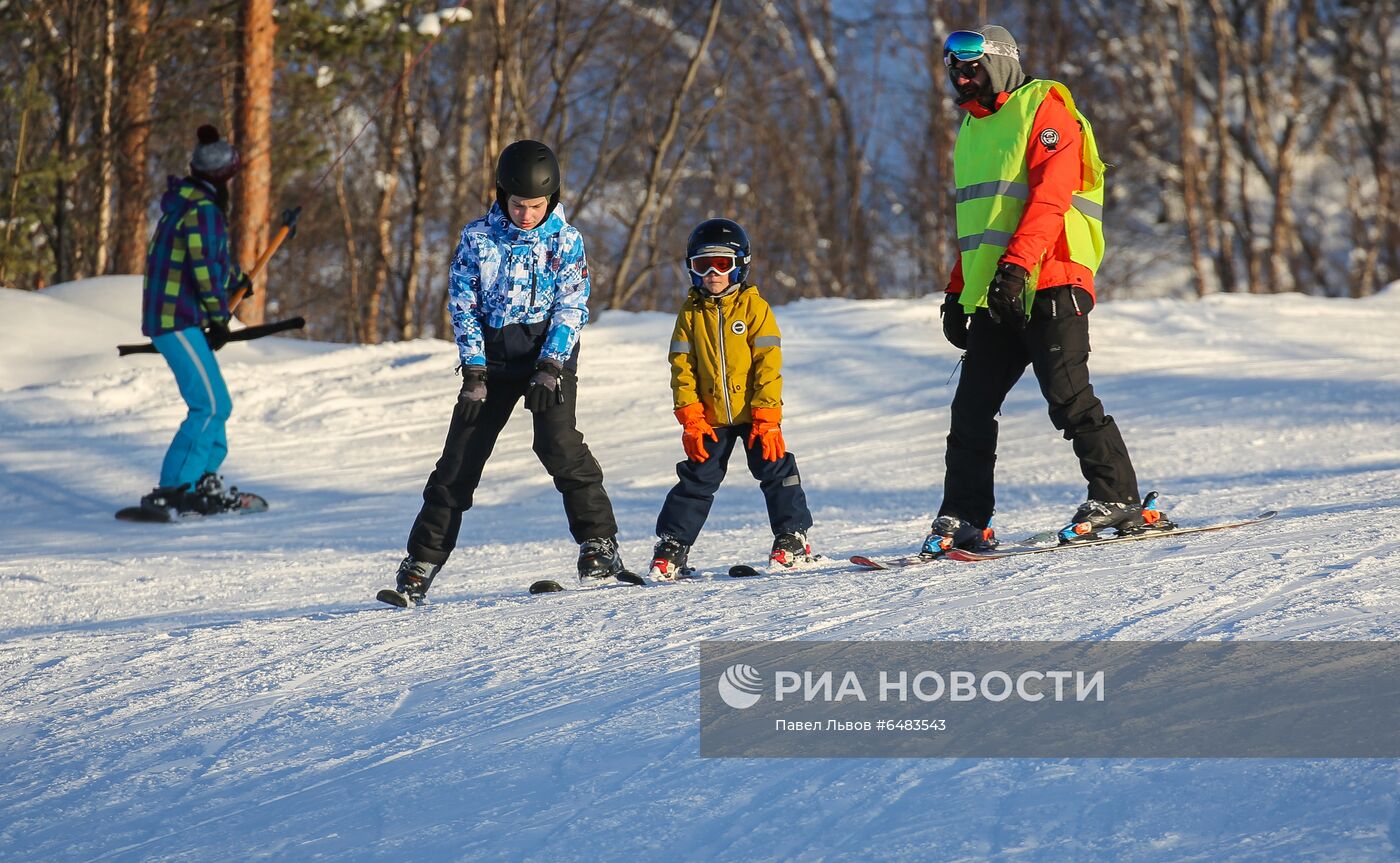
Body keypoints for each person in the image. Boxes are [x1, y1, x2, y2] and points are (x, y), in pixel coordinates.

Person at [927, 25, 1172, 555]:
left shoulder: (1047, 107)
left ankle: (1118, 496)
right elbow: (980, 223)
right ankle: (965, 518)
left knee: (1067, 397)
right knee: (971, 409)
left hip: (1052, 276)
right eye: (955, 70)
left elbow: (1050, 197)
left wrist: (1017, 268)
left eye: (972, 68)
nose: (962, 79)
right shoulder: (972, 131)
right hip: (999, 290)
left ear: (999, 63)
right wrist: (956, 289)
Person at [386, 140, 627, 604]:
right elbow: (463, 305)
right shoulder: (477, 238)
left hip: (545, 354)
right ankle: (421, 562)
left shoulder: (566, 240)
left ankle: (600, 543)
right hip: (493, 357)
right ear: (502, 195)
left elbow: (572, 305)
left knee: (556, 443)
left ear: (551, 200)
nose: (526, 214)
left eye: (536, 205)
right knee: (460, 457)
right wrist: (474, 369)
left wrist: (552, 363)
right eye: (518, 204)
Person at [648, 218, 815, 579]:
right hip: (710, 419)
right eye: (702, 264)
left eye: (722, 264)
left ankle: (791, 538)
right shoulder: (690, 315)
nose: (712, 273)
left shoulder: (756, 309)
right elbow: (682, 368)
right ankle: (672, 548)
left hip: (754, 415)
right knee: (696, 478)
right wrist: (691, 418)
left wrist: (768, 418)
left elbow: (769, 365)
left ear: (740, 265)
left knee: (776, 469)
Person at [138, 125, 257, 520]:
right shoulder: (203, 210)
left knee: (216, 404)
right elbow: (204, 269)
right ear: (223, 176)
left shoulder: (186, 205)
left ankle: (203, 478)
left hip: (177, 317)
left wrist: (235, 282)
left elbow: (211, 262)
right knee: (208, 405)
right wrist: (218, 315)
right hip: (176, 319)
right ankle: (173, 488)